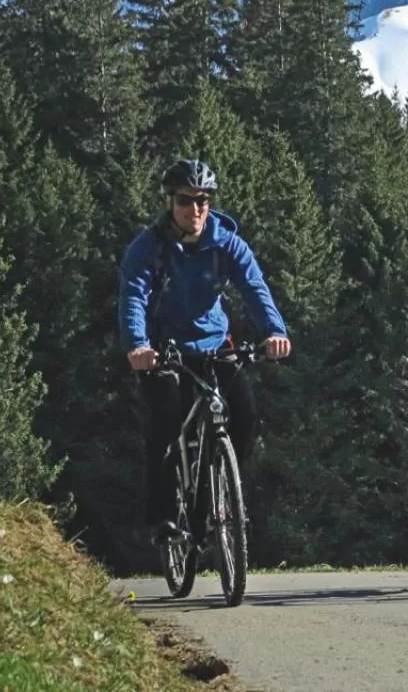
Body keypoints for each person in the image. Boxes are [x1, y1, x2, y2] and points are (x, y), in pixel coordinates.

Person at [117, 158, 292, 543]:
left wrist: (275, 332)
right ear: (169, 202)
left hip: (215, 344)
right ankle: (164, 517)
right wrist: (137, 344)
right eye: (185, 200)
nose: (195, 209)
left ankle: (215, 500)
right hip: (165, 350)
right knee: (166, 418)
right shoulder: (148, 248)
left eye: (203, 200)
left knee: (244, 415)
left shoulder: (225, 242)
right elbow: (133, 296)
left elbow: (255, 289)